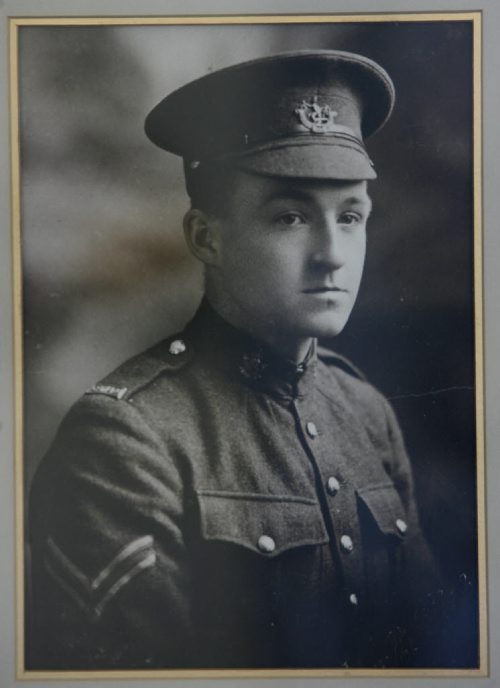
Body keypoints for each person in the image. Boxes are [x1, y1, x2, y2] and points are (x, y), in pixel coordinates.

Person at [27, 49, 439, 671]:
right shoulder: (127, 442)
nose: (332, 254)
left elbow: (430, 652)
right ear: (206, 237)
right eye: (292, 216)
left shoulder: (367, 412)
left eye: (351, 217)